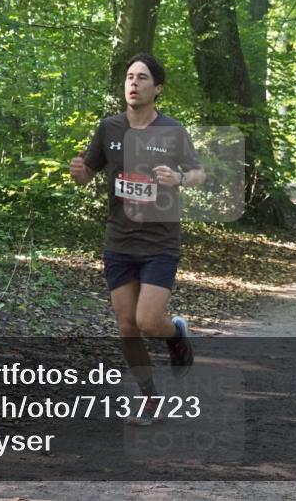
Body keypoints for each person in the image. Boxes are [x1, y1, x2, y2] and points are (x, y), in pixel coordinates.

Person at [69, 53, 205, 425]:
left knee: (148, 322)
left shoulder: (172, 131)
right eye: (129, 77)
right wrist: (78, 173)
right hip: (119, 240)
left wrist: (178, 179)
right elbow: (87, 175)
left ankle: (175, 333)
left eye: (142, 78)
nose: (133, 83)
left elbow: (198, 173)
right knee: (127, 325)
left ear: (157, 88)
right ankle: (149, 400)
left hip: (159, 240)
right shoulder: (109, 128)